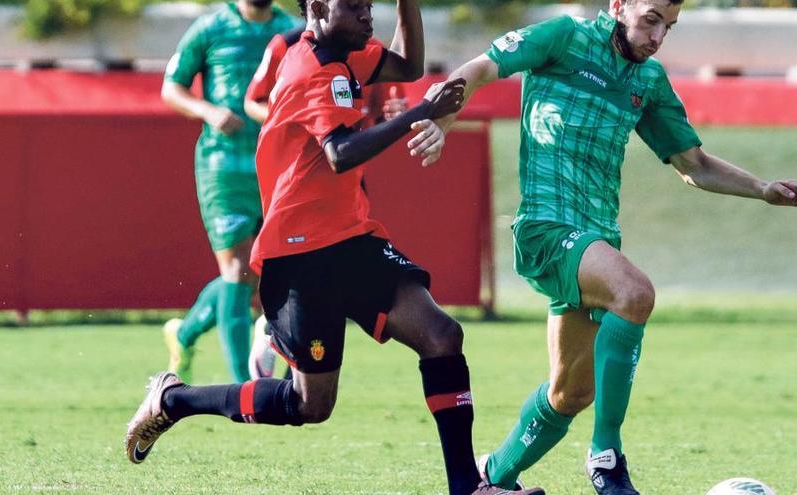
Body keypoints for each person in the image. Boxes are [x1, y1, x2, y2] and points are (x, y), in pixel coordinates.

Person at [126, 1, 541, 494]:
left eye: (371, 5)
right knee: (310, 405)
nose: (368, 14)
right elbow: (341, 154)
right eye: (357, 6)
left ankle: (467, 487)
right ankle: (174, 400)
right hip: (300, 255)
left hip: (353, 239)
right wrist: (422, 112)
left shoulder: (345, 53)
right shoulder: (310, 68)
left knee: (442, 335)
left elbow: (407, 66)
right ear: (319, 7)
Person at [409, 0, 797, 493]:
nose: (657, 37)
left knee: (570, 393)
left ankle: (491, 477)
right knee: (635, 292)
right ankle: (606, 459)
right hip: (545, 228)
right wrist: (443, 120)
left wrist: (762, 189)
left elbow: (694, 164)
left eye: (668, 26)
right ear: (618, 6)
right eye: (650, 19)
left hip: (595, 240)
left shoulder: (648, 81)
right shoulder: (562, 37)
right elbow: (477, 71)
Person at [242, 22, 408, 380]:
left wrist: (391, 116)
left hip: (348, 176)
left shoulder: (364, 46)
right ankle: (278, 335)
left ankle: (288, 349)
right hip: (301, 179)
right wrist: (297, 118)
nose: (363, 11)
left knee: (338, 281)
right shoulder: (287, 46)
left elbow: (373, 111)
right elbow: (256, 101)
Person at [159, 0, 300, 384]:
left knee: (264, 274)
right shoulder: (210, 28)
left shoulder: (293, 30)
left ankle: (184, 334)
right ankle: (245, 388)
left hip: (277, 167)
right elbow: (172, 88)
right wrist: (208, 111)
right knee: (237, 270)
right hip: (223, 167)